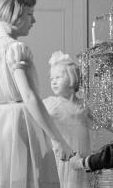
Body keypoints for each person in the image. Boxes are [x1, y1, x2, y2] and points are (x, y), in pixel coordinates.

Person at [0, 0, 73, 188]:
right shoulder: (15, 49)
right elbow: (29, 97)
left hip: (0, 123)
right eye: (29, 14)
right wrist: (58, 139)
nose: (33, 20)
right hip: (21, 122)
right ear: (15, 14)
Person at [43, 51, 92, 188]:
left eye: (58, 77)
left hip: (81, 155)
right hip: (62, 157)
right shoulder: (51, 104)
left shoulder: (82, 105)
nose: (53, 81)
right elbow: (34, 116)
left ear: (72, 78)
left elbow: (102, 122)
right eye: (51, 78)